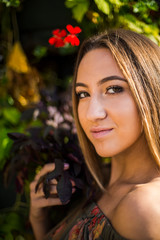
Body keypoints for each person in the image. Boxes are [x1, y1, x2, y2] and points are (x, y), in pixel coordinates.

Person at [29, 29, 160, 240]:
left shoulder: (144, 208)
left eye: (113, 89)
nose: (92, 113)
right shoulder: (99, 182)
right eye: (83, 94)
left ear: (150, 92)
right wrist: (40, 221)